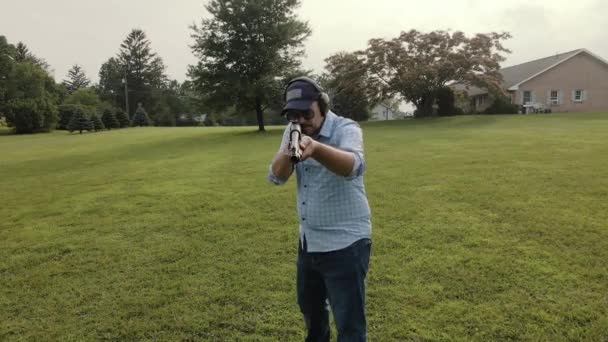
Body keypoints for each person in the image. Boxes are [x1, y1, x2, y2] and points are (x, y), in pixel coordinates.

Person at [267, 76, 372, 341]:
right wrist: (290, 149)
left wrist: (315, 149)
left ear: (323, 106)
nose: (301, 120)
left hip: (346, 244)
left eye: (307, 113)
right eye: (293, 115)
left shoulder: (346, 128)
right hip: (309, 242)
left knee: (349, 325)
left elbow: (353, 166)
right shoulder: (293, 130)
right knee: (312, 314)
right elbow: (277, 177)